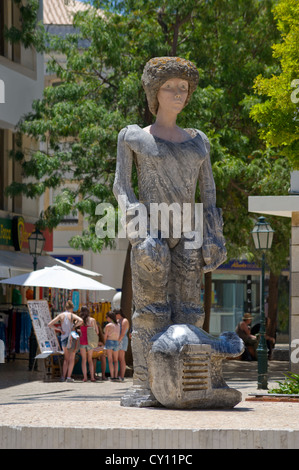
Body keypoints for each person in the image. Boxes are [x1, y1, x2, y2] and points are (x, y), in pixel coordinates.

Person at [113, 56, 226, 402]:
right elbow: (121, 186)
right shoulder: (134, 137)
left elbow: (208, 193)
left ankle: (189, 383)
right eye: (169, 87)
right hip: (152, 230)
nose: (178, 93)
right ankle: (145, 385)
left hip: (189, 232)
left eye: (183, 88)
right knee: (150, 312)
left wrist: (213, 235)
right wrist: (139, 233)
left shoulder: (198, 141)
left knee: (190, 310)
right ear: (153, 92)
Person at [48, 300, 83, 382]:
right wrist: (74, 325)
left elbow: (50, 324)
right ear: (72, 308)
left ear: (65, 308)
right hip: (71, 338)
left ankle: (63, 376)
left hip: (63, 338)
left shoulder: (61, 315)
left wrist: (59, 329)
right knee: (72, 358)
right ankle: (69, 377)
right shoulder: (72, 315)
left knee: (66, 359)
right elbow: (81, 320)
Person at [79, 305, 99, 382]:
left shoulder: (80, 320)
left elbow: (76, 328)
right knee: (90, 359)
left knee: (84, 360)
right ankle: (92, 377)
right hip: (90, 341)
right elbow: (97, 332)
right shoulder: (92, 320)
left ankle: (85, 377)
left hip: (82, 341)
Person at [104, 311, 120, 381]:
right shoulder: (118, 325)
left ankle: (112, 376)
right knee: (116, 360)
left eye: (107, 317)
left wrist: (104, 343)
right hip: (116, 342)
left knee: (110, 360)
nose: (106, 318)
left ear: (109, 317)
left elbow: (105, 336)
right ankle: (116, 376)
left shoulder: (108, 325)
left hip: (109, 341)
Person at [115, 309, 130, 381]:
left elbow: (123, 333)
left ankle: (122, 375)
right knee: (118, 358)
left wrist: (118, 341)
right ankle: (119, 374)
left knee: (121, 358)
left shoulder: (124, 321)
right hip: (118, 339)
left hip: (122, 340)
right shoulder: (118, 321)